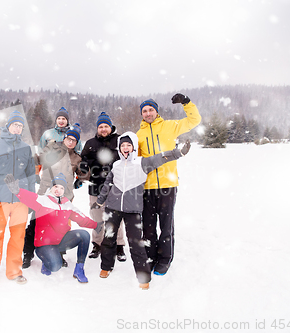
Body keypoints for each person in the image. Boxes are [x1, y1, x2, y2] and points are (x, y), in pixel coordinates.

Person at [94, 132, 190, 290]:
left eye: (128, 145)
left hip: (133, 210)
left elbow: (161, 158)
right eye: (122, 145)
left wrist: (177, 153)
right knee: (109, 237)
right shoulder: (116, 165)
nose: (125, 148)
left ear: (133, 147)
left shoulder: (142, 163)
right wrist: (100, 200)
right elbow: (107, 183)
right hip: (113, 207)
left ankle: (143, 273)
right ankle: (106, 266)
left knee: (136, 242)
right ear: (119, 148)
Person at [136, 93, 201, 275]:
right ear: (142, 114)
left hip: (167, 184)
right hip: (147, 186)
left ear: (156, 111)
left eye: (151, 110)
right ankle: (150, 257)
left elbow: (194, 120)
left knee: (166, 224)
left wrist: (187, 103)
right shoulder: (138, 135)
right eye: (145, 111)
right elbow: (136, 161)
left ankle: (164, 259)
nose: (148, 113)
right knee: (148, 226)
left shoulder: (170, 126)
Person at [5, 173, 100, 283]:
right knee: (55, 266)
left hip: (60, 241)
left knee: (84, 235)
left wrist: (96, 225)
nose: (58, 190)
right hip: (44, 244)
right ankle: (46, 261)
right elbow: (29, 197)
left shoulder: (67, 204)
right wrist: (17, 191)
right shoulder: (42, 201)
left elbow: (81, 218)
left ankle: (79, 269)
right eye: (55, 186)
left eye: (61, 188)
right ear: (51, 187)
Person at [0, 110, 36, 288]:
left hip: (20, 202)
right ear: (8, 125)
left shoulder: (26, 148)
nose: (17, 128)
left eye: (20, 126)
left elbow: (31, 176)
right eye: (15, 125)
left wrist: (31, 199)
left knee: (18, 237)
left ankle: (14, 271)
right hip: (0, 201)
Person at [22, 123, 88, 268]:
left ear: (76, 143)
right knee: (34, 225)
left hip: (63, 200)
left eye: (74, 140)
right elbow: (38, 159)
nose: (70, 142)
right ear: (64, 138)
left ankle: (58, 254)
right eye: (68, 139)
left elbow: (84, 175)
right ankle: (27, 254)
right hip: (45, 195)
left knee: (60, 229)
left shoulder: (76, 158)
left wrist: (82, 176)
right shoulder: (51, 147)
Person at [80, 111, 127, 260]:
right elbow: (83, 160)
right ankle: (97, 244)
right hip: (96, 187)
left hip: (116, 187)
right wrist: (85, 166)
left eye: (106, 126)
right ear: (97, 128)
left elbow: (128, 157)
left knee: (116, 218)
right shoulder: (90, 143)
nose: (103, 129)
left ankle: (119, 246)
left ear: (111, 127)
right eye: (100, 126)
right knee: (97, 217)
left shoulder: (119, 140)